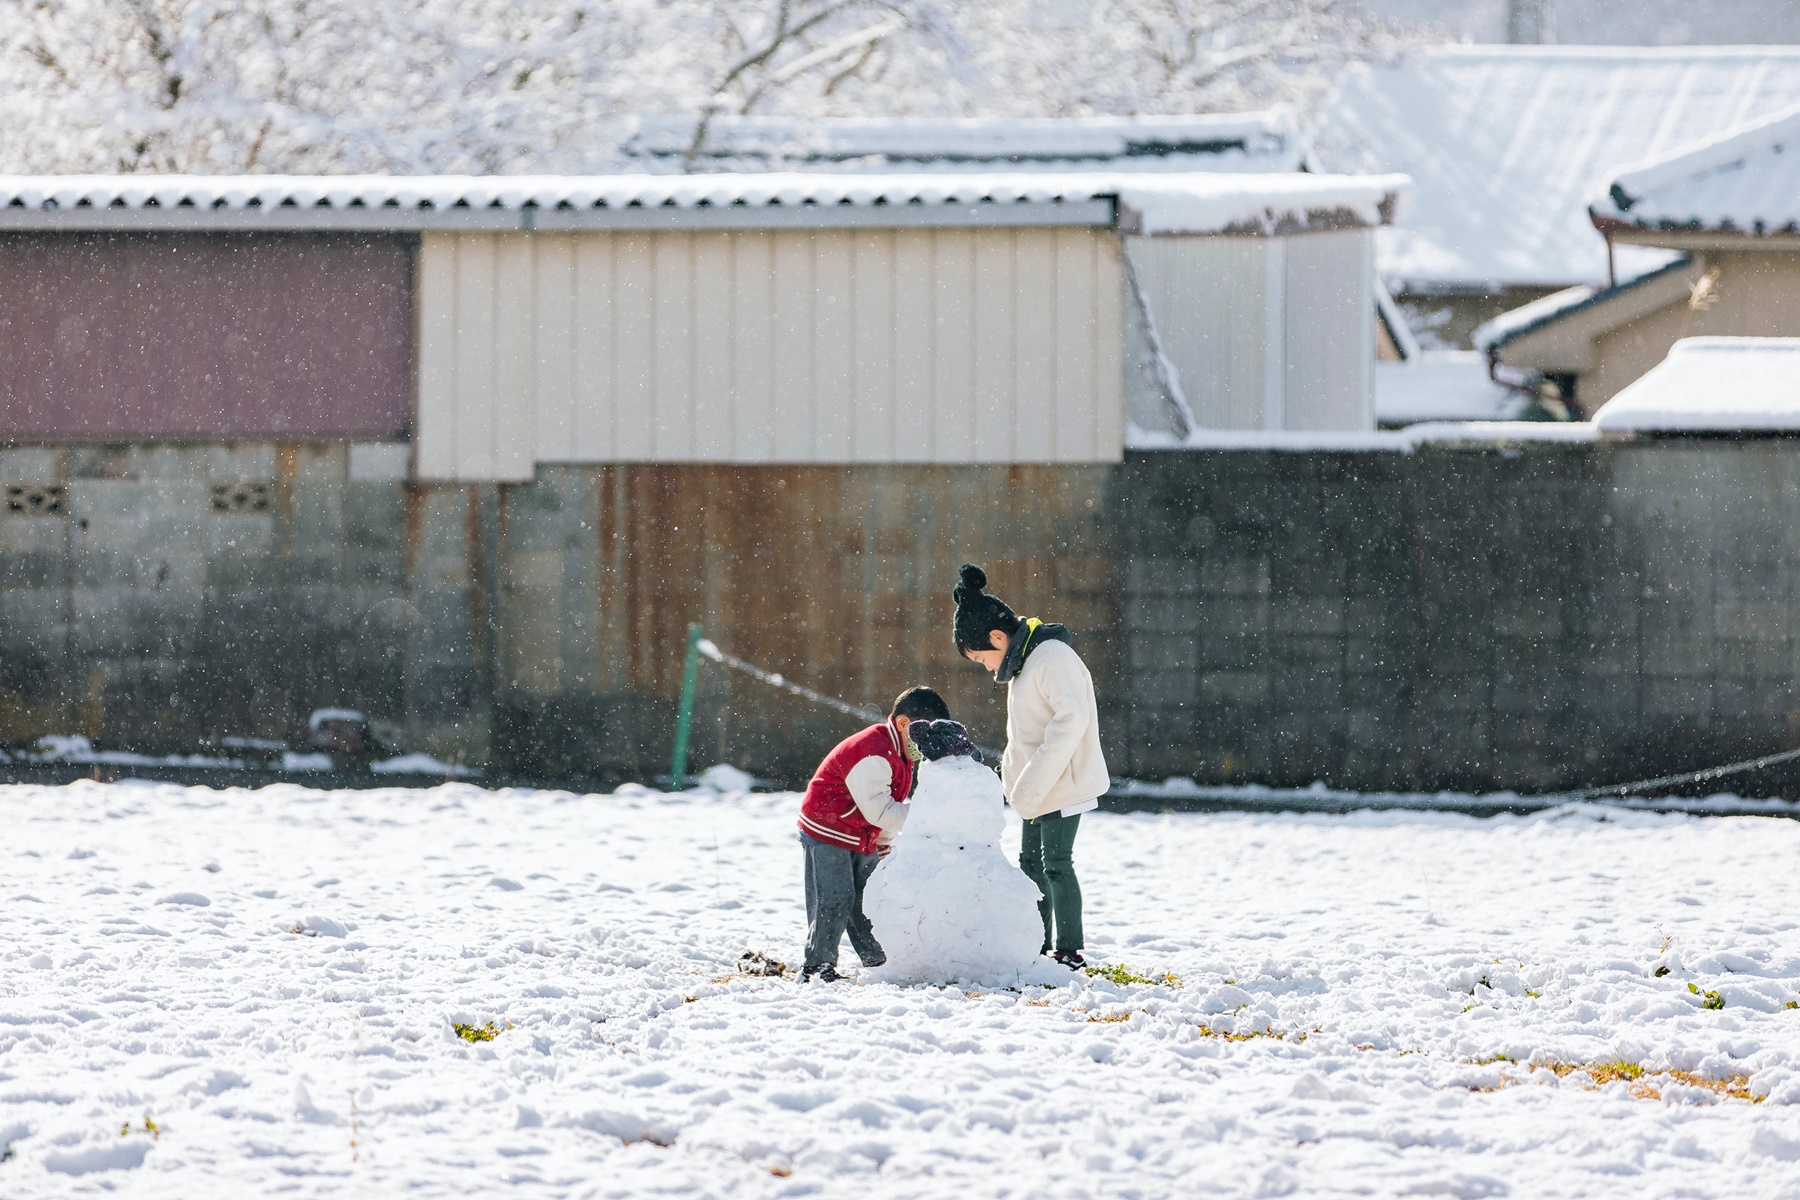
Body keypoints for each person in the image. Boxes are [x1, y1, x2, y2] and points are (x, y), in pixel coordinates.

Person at [951, 564, 1109, 969]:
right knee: (1030, 867)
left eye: (981, 657)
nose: (985, 666)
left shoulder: (1052, 657)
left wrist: (1031, 783)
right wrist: (1019, 781)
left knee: (1056, 865)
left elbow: (1069, 721)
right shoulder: (1023, 664)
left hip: (1061, 784)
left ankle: (1069, 950)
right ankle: (1035, 945)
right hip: (1033, 790)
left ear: (998, 637)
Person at [862, 720, 1059, 987]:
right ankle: (996, 960)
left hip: (933, 865)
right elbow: (987, 823)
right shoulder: (983, 776)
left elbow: (925, 821)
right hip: (984, 865)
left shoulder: (935, 774)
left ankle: (922, 961)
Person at [796, 685, 952, 982]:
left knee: (868, 898)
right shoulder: (874, 752)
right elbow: (880, 809)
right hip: (828, 827)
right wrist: (927, 816)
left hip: (860, 829)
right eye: (924, 735)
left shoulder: (902, 752)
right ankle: (817, 965)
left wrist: (883, 841)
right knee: (834, 897)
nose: (926, 745)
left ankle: (877, 962)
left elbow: (885, 806)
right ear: (905, 724)